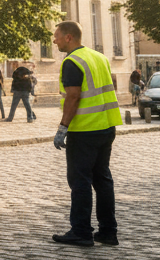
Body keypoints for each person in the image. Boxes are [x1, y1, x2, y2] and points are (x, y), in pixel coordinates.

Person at [51, 21, 121, 247]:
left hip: (84, 130)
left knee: (80, 180)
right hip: (107, 126)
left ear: (69, 37)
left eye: (57, 36)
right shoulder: (98, 57)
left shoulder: (72, 62)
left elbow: (73, 96)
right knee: (103, 179)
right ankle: (108, 232)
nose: (55, 41)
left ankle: (81, 231)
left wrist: (63, 127)